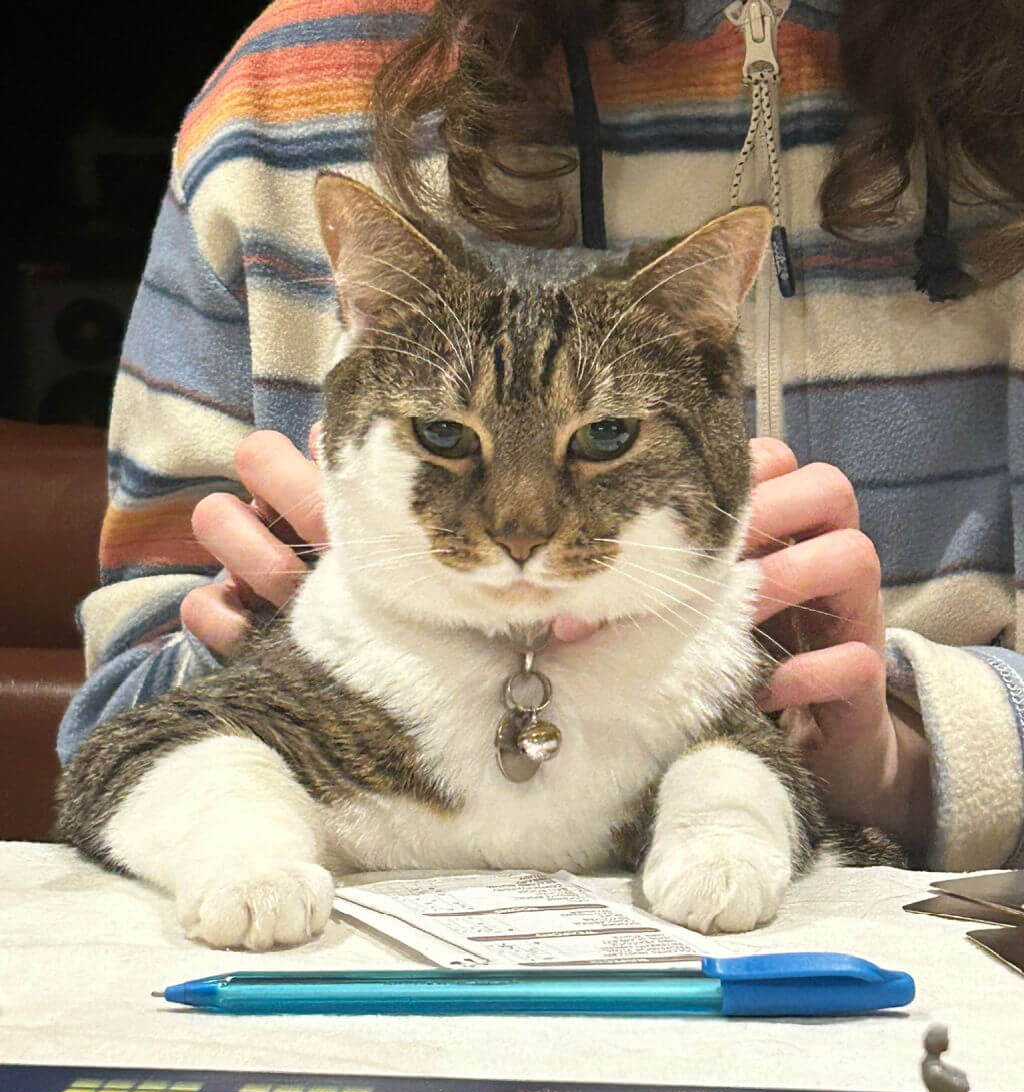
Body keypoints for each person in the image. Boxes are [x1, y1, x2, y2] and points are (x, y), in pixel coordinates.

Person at [58, 0, 1024, 871]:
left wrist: (907, 752)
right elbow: (116, 725)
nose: (521, 523)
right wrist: (290, 651)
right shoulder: (285, 92)